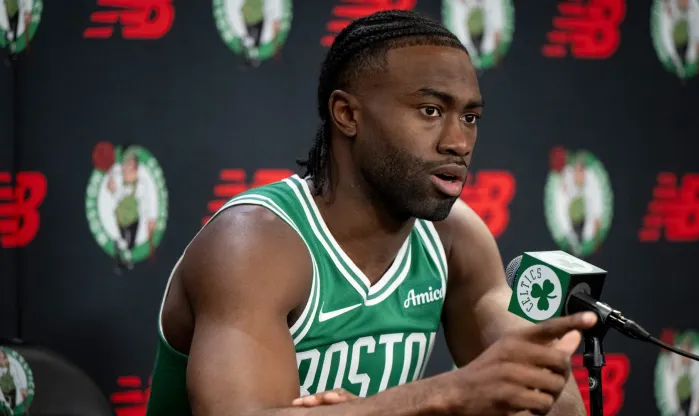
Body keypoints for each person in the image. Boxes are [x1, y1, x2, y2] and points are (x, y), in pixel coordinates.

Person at [146, 10, 595, 416]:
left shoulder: (454, 239)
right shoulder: (254, 243)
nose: (458, 142)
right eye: (430, 110)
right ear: (346, 113)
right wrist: (442, 396)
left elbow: (555, 409)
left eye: (470, 117)